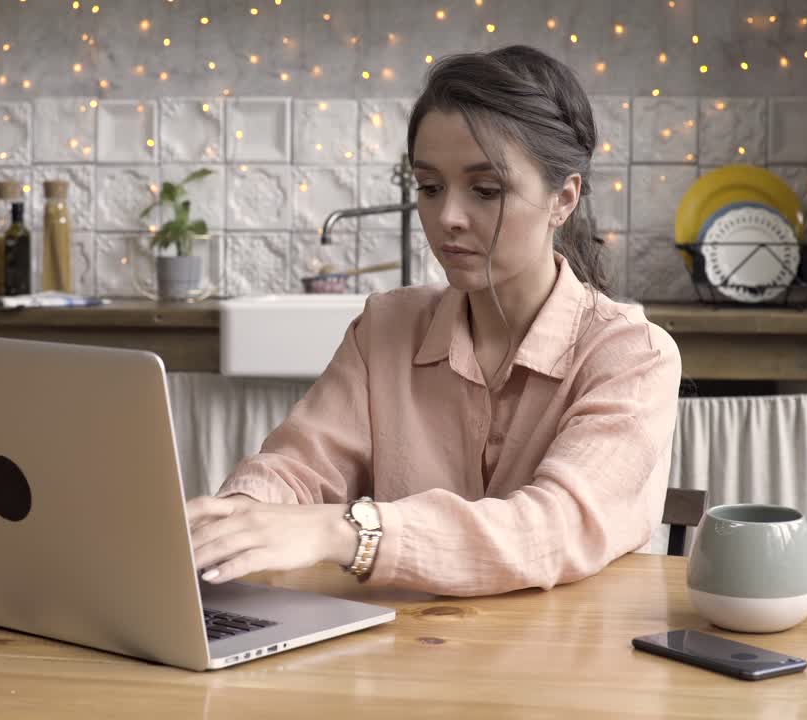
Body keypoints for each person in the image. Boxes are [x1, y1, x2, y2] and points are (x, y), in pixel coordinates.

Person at [186, 45, 682, 597]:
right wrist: (238, 517)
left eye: (486, 191)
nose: (447, 217)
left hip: (570, 646)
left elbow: (552, 527)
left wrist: (348, 531)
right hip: (400, 644)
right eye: (429, 187)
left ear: (563, 199)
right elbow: (298, 468)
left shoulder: (633, 356)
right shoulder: (386, 327)